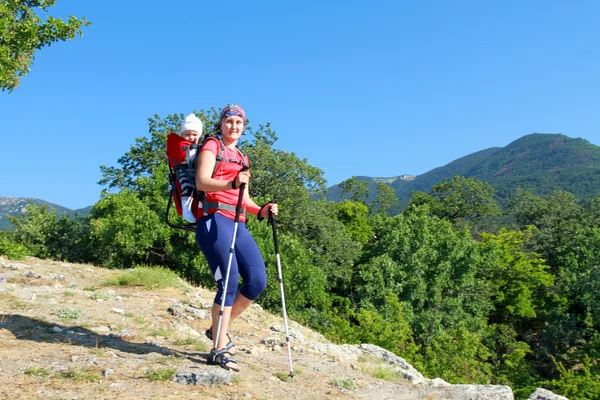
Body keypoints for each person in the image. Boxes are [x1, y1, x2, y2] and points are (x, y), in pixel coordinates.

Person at [195, 103, 277, 372]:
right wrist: (231, 183)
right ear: (221, 124)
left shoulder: (242, 157)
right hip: (214, 218)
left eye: (239, 123)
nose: (233, 127)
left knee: (257, 281)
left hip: (238, 222)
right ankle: (219, 348)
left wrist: (262, 210)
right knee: (228, 283)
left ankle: (218, 330)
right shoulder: (212, 146)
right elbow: (202, 182)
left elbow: (245, 199)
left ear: (243, 126)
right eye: (229, 122)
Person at [166, 113, 203, 223]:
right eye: (187, 134)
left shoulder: (203, 144)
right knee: (187, 187)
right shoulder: (180, 144)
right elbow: (186, 155)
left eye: (194, 134)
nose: (191, 137)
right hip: (184, 171)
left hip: (196, 172)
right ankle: (186, 209)